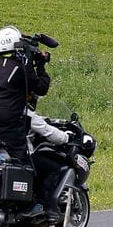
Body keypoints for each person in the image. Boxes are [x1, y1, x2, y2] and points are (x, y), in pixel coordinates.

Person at [0, 25, 51, 161]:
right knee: (22, 165)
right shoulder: (22, 68)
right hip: (12, 125)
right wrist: (39, 65)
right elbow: (41, 88)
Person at [24, 92, 71, 220]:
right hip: (23, 155)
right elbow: (47, 131)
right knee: (53, 168)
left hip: (1, 154)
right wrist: (66, 137)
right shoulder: (26, 114)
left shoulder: (2, 110)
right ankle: (42, 205)